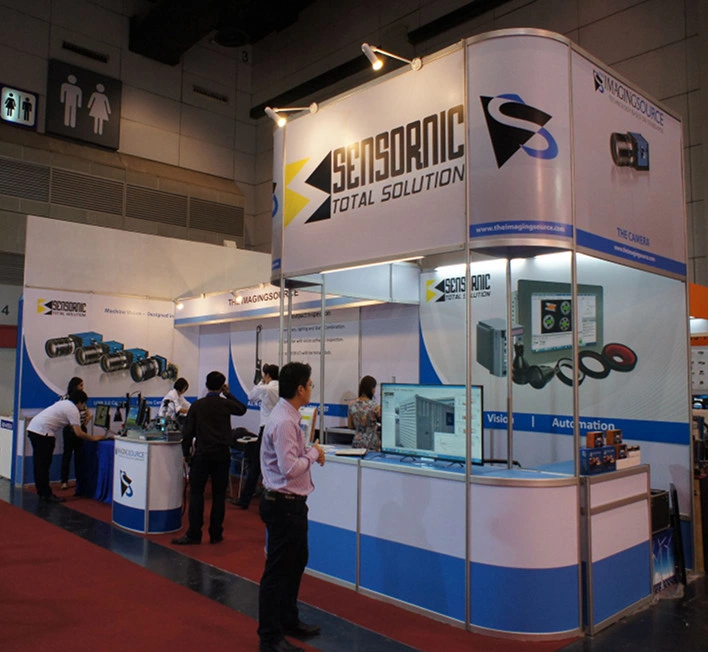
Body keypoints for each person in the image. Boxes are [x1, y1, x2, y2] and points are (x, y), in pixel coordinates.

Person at [258, 362, 325, 652]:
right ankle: (270, 637)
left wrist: (309, 452)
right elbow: (289, 468)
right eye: (310, 385)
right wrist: (313, 454)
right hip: (284, 505)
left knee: (295, 564)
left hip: (291, 505)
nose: (311, 389)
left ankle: (288, 619)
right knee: (278, 571)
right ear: (300, 389)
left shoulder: (287, 415)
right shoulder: (285, 421)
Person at [172, 371, 247, 546]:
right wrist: (228, 394)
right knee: (219, 495)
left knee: (196, 494)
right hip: (222, 455)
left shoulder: (197, 406)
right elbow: (242, 409)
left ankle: (194, 534)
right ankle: (216, 533)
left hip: (202, 454)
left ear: (206, 385)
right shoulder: (225, 404)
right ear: (222, 386)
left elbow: (188, 433)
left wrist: (185, 454)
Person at [27, 390, 105, 503]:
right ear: (80, 402)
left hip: (34, 429)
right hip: (43, 433)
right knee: (43, 465)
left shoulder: (63, 403)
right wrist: (94, 438)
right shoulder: (73, 410)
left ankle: (42, 492)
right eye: (83, 404)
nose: (83, 407)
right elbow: (79, 433)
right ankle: (46, 494)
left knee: (39, 465)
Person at [238, 363, 280, 509]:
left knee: (256, 465)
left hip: (266, 428)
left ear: (267, 375)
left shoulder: (264, 388)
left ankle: (245, 500)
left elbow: (251, 396)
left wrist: (261, 383)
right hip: (280, 429)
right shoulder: (283, 388)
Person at [60, 377, 90, 490]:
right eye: (81, 385)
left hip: (81, 428)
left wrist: (87, 418)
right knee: (67, 455)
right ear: (75, 385)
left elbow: (86, 411)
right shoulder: (65, 398)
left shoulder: (82, 398)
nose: (82, 387)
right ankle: (64, 481)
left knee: (80, 455)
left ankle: (80, 480)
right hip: (70, 430)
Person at [348, 375, 381, 451]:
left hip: (357, 442)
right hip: (372, 443)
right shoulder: (374, 406)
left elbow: (350, 426)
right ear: (372, 389)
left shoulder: (352, 404)